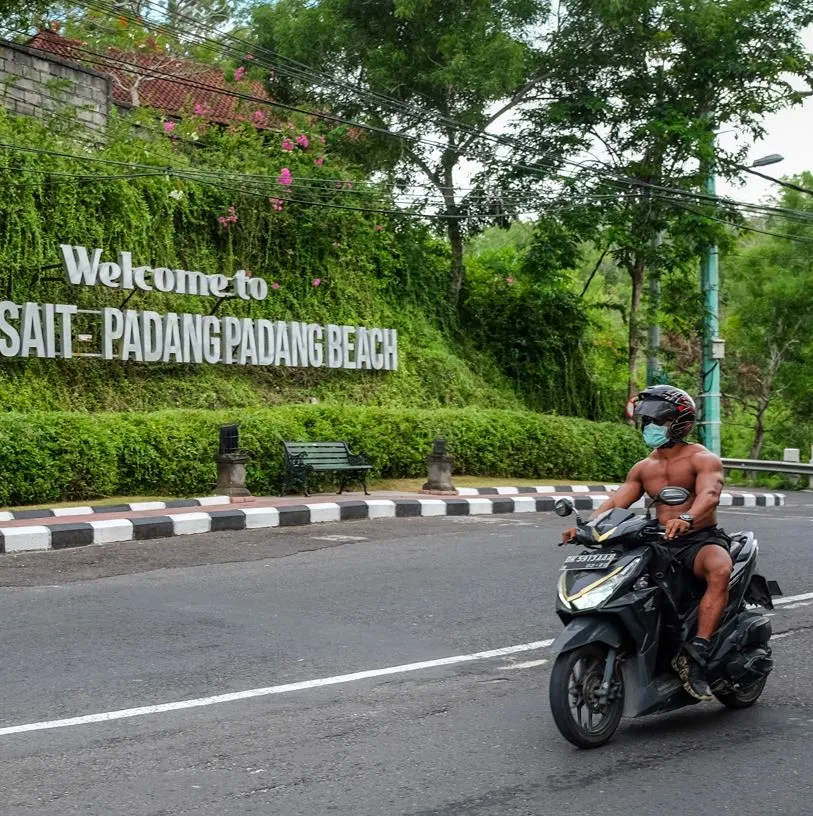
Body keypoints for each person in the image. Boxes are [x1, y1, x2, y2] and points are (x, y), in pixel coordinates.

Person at [562, 385, 731, 701]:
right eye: (646, 422)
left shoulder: (703, 460)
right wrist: (585, 526)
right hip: (658, 541)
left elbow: (709, 495)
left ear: (679, 423)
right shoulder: (644, 467)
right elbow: (616, 502)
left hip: (697, 539)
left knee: (719, 568)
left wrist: (689, 518)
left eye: (657, 421)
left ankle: (697, 652)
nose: (650, 429)